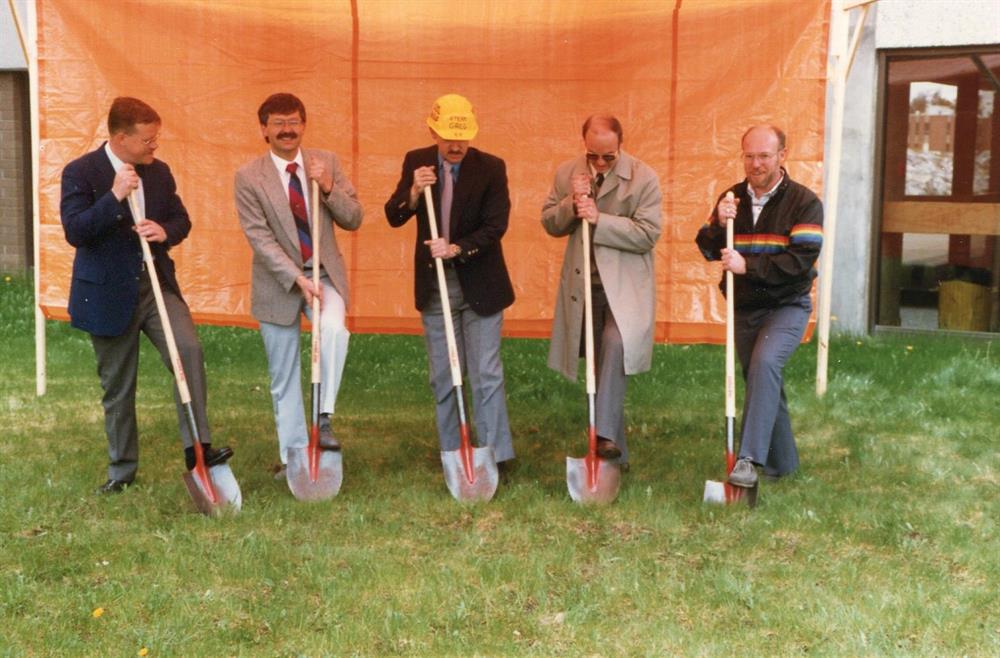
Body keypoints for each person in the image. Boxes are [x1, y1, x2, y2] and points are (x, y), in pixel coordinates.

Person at [60, 96, 234, 494]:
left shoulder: (159, 172)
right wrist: (114, 196)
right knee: (119, 385)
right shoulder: (80, 172)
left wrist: (165, 231)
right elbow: (76, 231)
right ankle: (122, 471)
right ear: (121, 138)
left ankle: (198, 451)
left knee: (188, 350)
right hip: (106, 294)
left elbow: (181, 218)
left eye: (156, 139)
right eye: (147, 140)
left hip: (155, 284)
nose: (155, 147)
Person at [384, 93, 516, 474]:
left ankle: (495, 455)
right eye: (447, 137)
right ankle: (452, 453)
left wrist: (457, 248)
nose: (456, 146)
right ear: (433, 131)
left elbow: (496, 225)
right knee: (444, 371)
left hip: (482, 284)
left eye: (463, 137)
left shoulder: (491, 168)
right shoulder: (416, 161)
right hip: (435, 287)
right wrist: (412, 192)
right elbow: (393, 216)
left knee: (485, 372)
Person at [234, 93, 363, 479]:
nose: (287, 129)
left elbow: (354, 217)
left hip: (325, 274)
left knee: (334, 329)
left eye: (294, 121)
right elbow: (259, 237)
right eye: (278, 122)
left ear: (304, 125)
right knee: (284, 374)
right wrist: (296, 278)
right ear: (264, 129)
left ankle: (323, 417)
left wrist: (327, 187)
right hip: (279, 281)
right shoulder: (248, 177)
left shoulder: (327, 163)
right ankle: (294, 459)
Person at [696, 124, 823, 488]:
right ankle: (784, 465)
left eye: (764, 156)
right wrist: (719, 223)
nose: (756, 164)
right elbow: (706, 249)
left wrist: (747, 266)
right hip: (745, 305)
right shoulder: (731, 198)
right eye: (749, 156)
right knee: (760, 376)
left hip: (787, 304)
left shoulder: (805, 202)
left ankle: (747, 460)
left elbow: (800, 261)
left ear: (783, 155)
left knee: (765, 363)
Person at [541, 115, 663, 470]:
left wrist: (599, 220)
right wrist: (569, 202)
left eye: (607, 157)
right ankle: (612, 453)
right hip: (584, 284)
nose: (599, 163)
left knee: (614, 344)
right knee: (598, 364)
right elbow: (549, 223)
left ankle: (603, 436)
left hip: (626, 287)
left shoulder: (645, 177)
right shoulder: (568, 172)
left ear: (620, 146)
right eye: (592, 155)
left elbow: (648, 234)